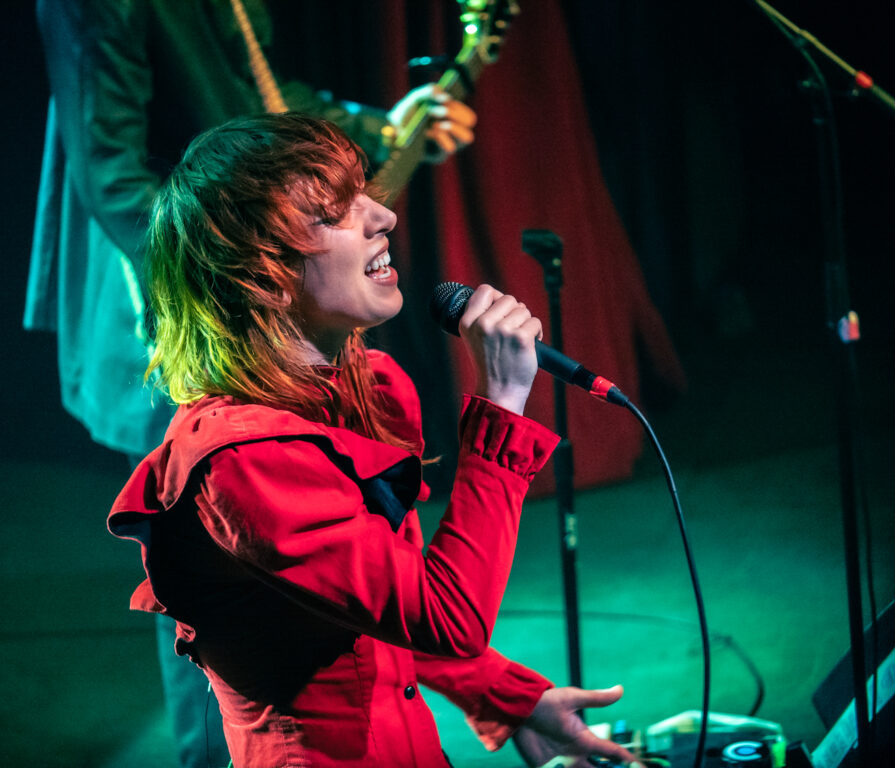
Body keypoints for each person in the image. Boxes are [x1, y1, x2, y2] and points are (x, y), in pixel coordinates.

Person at [107, 112, 636, 768]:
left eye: (363, 194)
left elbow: (381, 609)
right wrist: (501, 406)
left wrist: (509, 696)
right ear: (262, 276)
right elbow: (449, 616)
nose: (383, 217)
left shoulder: (367, 386)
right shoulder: (244, 461)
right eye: (334, 213)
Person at [24, 2, 474, 765]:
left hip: (265, 305)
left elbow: (258, 91)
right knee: (222, 608)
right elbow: (112, 174)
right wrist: (230, 306)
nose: (379, 221)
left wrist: (377, 126)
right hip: (197, 318)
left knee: (324, 583)